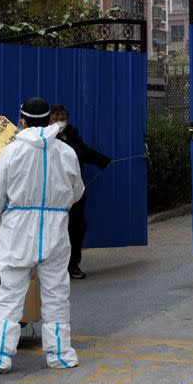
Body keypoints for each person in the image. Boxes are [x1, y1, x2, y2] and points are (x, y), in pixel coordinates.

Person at [0, 97, 85, 373]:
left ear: (22, 121)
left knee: (10, 294)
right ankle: (60, 355)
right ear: (50, 120)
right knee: (56, 293)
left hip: (18, 228)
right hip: (54, 229)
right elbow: (77, 191)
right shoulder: (66, 152)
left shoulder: (11, 151)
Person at [49, 104, 111, 279]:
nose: (59, 121)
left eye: (62, 117)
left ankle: (73, 264)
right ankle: (54, 268)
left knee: (77, 227)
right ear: (49, 119)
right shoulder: (45, 137)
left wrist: (102, 160)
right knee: (56, 229)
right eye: (55, 117)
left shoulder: (73, 133)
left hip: (75, 191)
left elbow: (82, 152)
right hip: (55, 192)